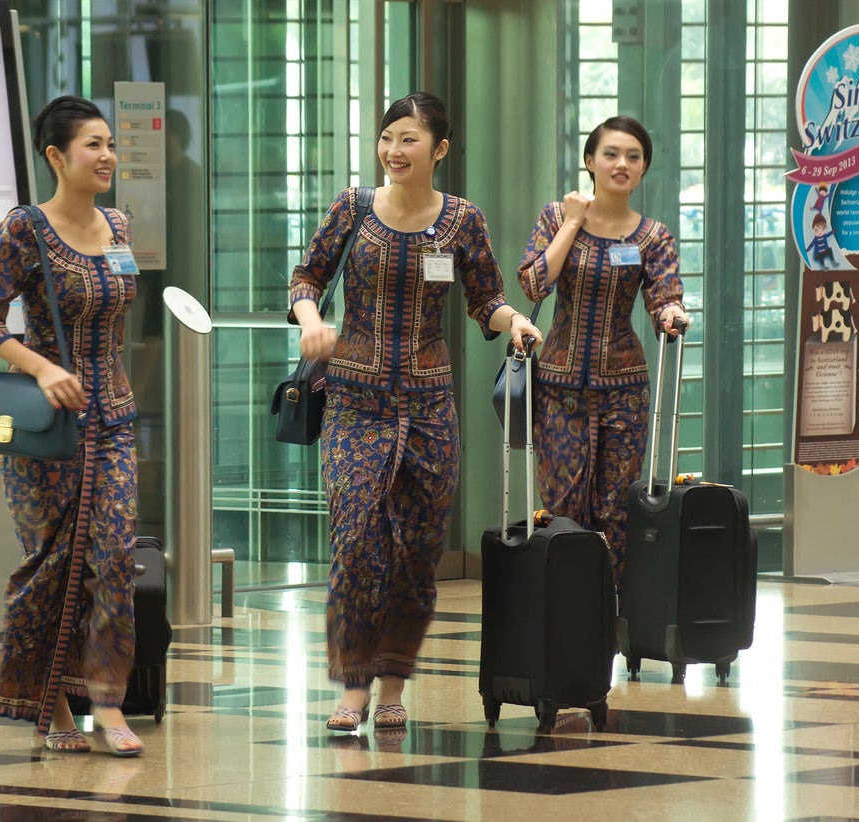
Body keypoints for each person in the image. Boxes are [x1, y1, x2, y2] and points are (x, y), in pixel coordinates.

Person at [289, 91, 543, 732]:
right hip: (354, 401)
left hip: (430, 408)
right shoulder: (352, 208)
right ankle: (352, 686)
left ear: (440, 149)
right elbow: (306, 279)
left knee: (416, 552)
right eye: (387, 138)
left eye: (409, 139)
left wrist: (515, 323)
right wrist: (312, 320)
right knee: (355, 545)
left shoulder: (463, 220)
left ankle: (394, 681)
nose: (394, 151)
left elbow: (486, 299)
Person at [0, 96, 144, 756]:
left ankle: (108, 704)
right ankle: (55, 707)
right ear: (55, 156)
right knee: (50, 564)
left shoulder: (118, 226)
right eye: (91, 145)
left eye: (109, 145)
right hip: (46, 428)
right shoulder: (25, 229)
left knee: (115, 561)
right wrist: (41, 368)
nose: (106, 157)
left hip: (115, 418)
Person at [517, 115, 688, 592]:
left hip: (625, 391)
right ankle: (564, 609)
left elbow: (665, 296)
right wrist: (573, 221)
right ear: (590, 161)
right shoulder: (556, 217)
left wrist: (672, 313)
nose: (621, 164)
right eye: (611, 154)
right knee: (563, 506)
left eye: (633, 157)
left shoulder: (653, 237)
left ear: (643, 169)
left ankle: (610, 616)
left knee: (616, 508)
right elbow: (533, 281)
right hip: (558, 389)